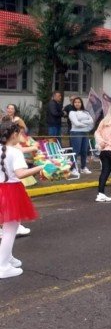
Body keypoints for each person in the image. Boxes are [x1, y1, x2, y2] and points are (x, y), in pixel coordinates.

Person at [0, 119, 45, 279]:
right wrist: (40, 168)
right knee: (10, 230)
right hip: (11, 190)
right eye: (21, 132)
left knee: (10, 226)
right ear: (14, 134)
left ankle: (7, 257)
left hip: (1, 188)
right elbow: (20, 174)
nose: (23, 135)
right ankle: (3, 266)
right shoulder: (15, 152)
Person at [68, 97, 94, 174]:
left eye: (79, 102)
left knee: (84, 151)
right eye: (75, 102)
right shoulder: (72, 112)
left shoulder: (86, 112)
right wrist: (86, 123)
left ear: (81, 103)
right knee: (76, 151)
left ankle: (83, 167)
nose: (77, 103)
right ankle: (72, 168)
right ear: (73, 103)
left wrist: (81, 121)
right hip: (76, 133)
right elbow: (76, 124)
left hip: (85, 133)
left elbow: (91, 121)